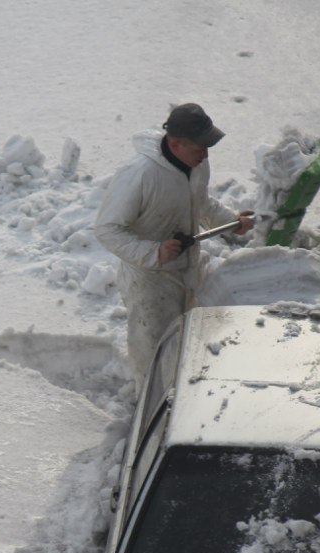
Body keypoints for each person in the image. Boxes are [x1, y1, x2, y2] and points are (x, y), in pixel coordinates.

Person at [95, 103, 254, 377]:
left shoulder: (196, 164)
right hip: (149, 280)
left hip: (185, 268)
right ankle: (148, 410)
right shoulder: (140, 174)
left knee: (184, 343)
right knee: (153, 351)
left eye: (207, 146)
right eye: (199, 147)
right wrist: (153, 253)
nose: (205, 154)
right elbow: (106, 229)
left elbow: (200, 202)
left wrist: (231, 221)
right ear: (175, 143)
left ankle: (179, 402)